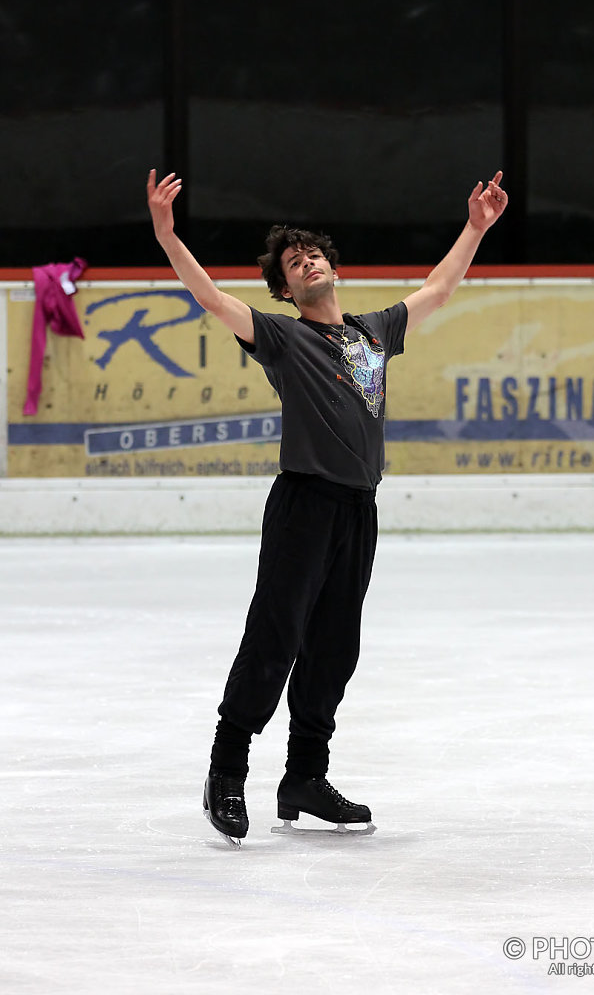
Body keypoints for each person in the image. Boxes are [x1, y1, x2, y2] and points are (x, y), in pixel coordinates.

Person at [147, 168, 508, 844]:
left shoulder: (373, 333)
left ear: (331, 269)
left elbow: (438, 288)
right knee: (275, 637)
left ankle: (303, 778)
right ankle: (226, 771)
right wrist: (167, 233)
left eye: (313, 254)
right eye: (293, 262)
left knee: (334, 646)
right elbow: (208, 297)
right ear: (285, 289)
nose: (307, 261)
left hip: (357, 509)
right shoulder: (282, 338)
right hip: (303, 505)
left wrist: (476, 226)